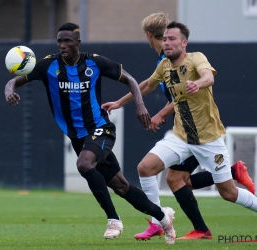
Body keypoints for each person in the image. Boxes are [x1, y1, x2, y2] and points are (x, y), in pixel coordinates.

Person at [4, 22, 176, 244]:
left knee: (84, 165)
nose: (62, 45)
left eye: (67, 41)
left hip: (100, 128)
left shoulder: (94, 62)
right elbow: (13, 81)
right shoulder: (48, 65)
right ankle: (163, 217)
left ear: (78, 43)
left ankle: (113, 219)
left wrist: (140, 105)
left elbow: (130, 80)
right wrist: (9, 91)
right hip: (78, 136)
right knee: (121, 186)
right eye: (59, 41)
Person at [102, 20, 257, 240]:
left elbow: (208, 76)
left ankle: (211, 214)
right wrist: (119, 102)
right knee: (145, 168)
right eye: (164, 39)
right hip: (181, 136)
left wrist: (199, 84)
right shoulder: (164, 65)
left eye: (172, 39)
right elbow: (147, 85)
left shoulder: (196, 58)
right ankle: (159, 220)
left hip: (209, 139)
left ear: (184, 43)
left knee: (228, 193)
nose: (167, 43)